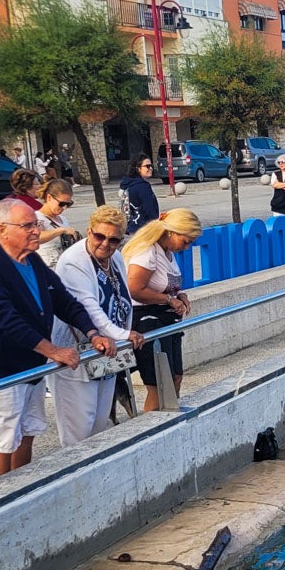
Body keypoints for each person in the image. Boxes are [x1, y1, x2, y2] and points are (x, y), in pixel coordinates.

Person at [0, 199, 111, 479]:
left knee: (29, 428)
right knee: (2, 438)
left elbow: (64, 301)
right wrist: (53, 350)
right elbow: (3, 319)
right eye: (28, 225)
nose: (36, 231)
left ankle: (20, 486)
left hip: (31, 364)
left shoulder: (31, 259)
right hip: (1, 369)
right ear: (2, 229)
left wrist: (92, 332)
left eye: (36, 224)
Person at [48, 206, 144, 445]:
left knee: (100, 425)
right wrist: (125, 334)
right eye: (99, 236)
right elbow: (89, 309)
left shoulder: (116, 257)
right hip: (76, 355)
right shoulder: (73, 261)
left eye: (113, 239)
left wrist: (121, 339)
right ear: (89, 232)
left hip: (107, 352)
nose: (105, 244)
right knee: (78, 432)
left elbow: (124, 300)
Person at [123, 209, 202, 412]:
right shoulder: (147, 251)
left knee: (175, 377)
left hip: (166, 320)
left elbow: (167, 284)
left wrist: (180, 295)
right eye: (186, 241)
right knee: (159, 385)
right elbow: (135, 289)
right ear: (172, 232)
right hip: (148, 320)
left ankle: (169, 419)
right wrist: (168, 299)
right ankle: (150, 430)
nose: (187, 247)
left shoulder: (167, 252)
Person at [34, 179, 82, 268]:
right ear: (49, 198)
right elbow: (35, 237)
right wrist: (61, 230)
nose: (64, 208)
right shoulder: (36, 217)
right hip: (46, 268)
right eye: (62, 203)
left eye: (68, 204)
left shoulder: (63, 219)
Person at [119, 155, 159, 234]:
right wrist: (157, 225)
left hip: (130, 227)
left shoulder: (128, 184)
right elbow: (149, 210)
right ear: (138, 168)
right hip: (143, 229)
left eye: (151, 166)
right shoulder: (143, 187)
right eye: (147, 166)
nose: (150, 168)